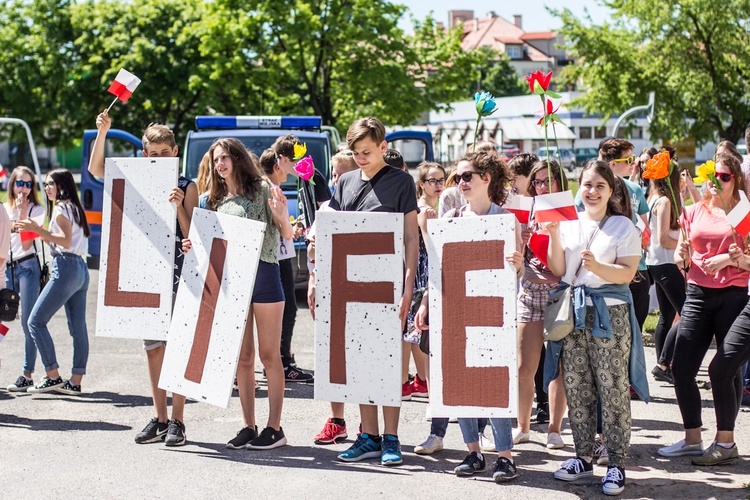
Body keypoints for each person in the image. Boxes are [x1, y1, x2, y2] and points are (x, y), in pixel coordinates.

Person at [89, 110, 198, 447]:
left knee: (178, 348)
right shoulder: (133, 176)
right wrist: (103, 133)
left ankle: (179, 420)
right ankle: (160, 417)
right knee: (154, 349)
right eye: (153, 154)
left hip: (179, 273)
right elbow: (96, 170)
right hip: (145, 271)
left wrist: (179, 205)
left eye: (165, 153)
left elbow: (192, 234)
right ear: (144, 155)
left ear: (175, 152)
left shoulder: (187, 185)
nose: (159, 158)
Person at [416, 150, 523, 482]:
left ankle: (505, 457)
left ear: (486, 179)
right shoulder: (451, 221)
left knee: (493, 383)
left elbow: (515, 276)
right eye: (457, 177)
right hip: (456, 312)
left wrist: (517, 265)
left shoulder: (506, 221)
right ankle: (473, 451)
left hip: (491, 313)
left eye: (467, 176)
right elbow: (438, 270)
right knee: (460, 383)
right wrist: (425, 304)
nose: (460, 183)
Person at [547, 160, 648, 496]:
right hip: (573, 314)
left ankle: (617, 463)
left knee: (613, 388)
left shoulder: (622, 226)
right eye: (587, 185)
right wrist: (552, 235)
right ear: (580, 185)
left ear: (611, 190)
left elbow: (626, 274)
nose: (592, 192)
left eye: (599, 186)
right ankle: (583, 455)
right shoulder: (569, 223)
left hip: (611, 314)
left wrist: (598, 266)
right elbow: (559, 268)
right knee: (577, 386)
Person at [188, 138, 292, 450]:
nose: (219, 165)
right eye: (214, 160)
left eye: (223, 158)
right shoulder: (210, 200)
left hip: (264, 273)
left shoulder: (262, 190)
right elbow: (206, 243)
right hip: (232, 280)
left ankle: (275, 428)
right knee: (243, 358)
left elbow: (286, 234)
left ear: (236, 158)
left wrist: (283, 215)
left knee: (269, 356)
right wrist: (190, 245)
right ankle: (249, 425)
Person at [331, 117, 419, 466]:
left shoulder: (402, 182)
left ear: (383, 147)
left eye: (366, 151)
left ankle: (391, 437)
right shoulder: (346, 181)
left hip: (389, 286)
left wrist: (408, 287)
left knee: (388, 362)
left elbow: (412, 239)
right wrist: (320, 282)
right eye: (355, 152)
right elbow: (333, 234)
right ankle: (368, 435)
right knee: (359, 363)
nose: (361, 158)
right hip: (350, 287)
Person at [659, 152, 750, 465]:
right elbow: (680, 255)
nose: (715, 183)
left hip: (735, 295)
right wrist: (680, 255)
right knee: (681, 367)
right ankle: (692, 438)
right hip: (698, 293)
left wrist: (730, 258)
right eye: (711, 176)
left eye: (723, 177)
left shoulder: (743, 212)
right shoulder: (694, 210)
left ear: (735, 180)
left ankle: (726, 438)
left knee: (727, 369)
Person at [513, 160, 568, 450]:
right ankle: (522, 427)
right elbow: (513, 259)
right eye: (538, 181)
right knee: (525, 365)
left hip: (560, 293)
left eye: (549, 180)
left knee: (558, 365)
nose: (543, 186)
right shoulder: (526, 209)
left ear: (561, 182)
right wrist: (520, 241)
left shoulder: (571, 212)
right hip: (530, 290)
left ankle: (554, 429)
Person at [20, 170, 90, 397]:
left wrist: (37, 230)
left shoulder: (61, 209)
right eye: (47, 184)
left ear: (63, 186)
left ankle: (52, 375)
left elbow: (65, 241)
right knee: (77, 327)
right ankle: (75, 381)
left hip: (67, 266)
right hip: (81, 268)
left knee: (35, 321)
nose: (47, 188)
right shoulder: (76, 208)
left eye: (51, 184)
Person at [308, 150, 359, 445]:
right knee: (333, 357)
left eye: (342, 173)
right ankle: (337, 420)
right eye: (334, 174)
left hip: (361, 290)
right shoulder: (326, 209)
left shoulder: (369, 206)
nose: (337, 179)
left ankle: (369, 426)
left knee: (363, 356)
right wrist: (313, 279)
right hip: (331, 288)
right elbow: (313, 254)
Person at [258, 149, 313, 383]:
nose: (294, 168)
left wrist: (291, 229)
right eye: (291, 163)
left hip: (280, 254)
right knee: (287, 310)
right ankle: (282, 362)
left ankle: (281, 359)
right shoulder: (269, 189)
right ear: (279, 165)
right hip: (276, 258)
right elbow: (276, 228)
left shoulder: (270, 188)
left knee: (284, 310)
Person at [401, 161, 444, 402]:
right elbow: (430, 248)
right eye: (432, 181)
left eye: (441, 180)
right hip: (424, 275)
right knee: (421, 333)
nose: (437, 185)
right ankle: (424, 383)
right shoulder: (423, 211)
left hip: (428, 273)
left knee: (421, 335)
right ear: (422, 184)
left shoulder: (436, 208)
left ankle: (421, 381)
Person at [5, 166, 45, 392]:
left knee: (27, 321)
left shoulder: (36, 211)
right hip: (7, 268)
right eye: (20, 183)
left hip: (28, 266)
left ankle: (27, 374)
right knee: (2, 319)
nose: (24, 189)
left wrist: (22, 215)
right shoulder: (4, 209)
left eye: (28, 185)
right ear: (12, 184)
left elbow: (27, 243)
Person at [645, 152, 684, 384]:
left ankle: (663, 364)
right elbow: (662, 238)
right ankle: (663, 363)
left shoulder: (653, 198)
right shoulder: (665, 201)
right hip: (665, 263)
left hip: (656, 263)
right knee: (688, 313)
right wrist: (686, 244)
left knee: (667, 315)